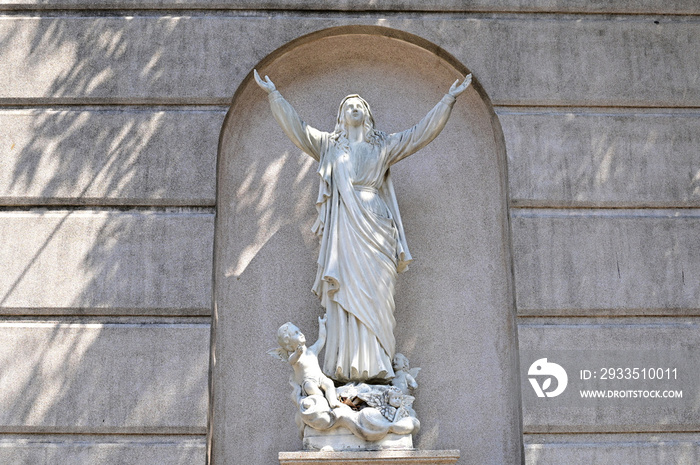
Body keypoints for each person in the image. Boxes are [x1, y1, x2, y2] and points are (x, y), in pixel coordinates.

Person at [255, 69, 472, 383]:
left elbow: (418, 134)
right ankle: (347, 368)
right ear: (341, 117)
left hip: (377, 224)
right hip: (345, 225)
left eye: (360, 106)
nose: (354, 109)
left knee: (378, 295)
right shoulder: (329, 145)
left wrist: (448, 100)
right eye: (348, 107)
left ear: (368, 114)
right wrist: (275, 95)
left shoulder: (383, 145)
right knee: (346, 292)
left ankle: (378, 364)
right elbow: (298, 130)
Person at [269, 317, 342, 409]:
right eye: (296, 333)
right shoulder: (296, 357)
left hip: (320, 377)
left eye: (299, 331)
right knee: (312, 389)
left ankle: (333, 402)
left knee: (329, 383)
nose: (301, 334)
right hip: (308, 382)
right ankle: (323, 403)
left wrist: (322, 324)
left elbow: (321, 339)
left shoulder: (312, 350)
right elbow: (291, 361)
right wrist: (297, 353)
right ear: (289, 342)